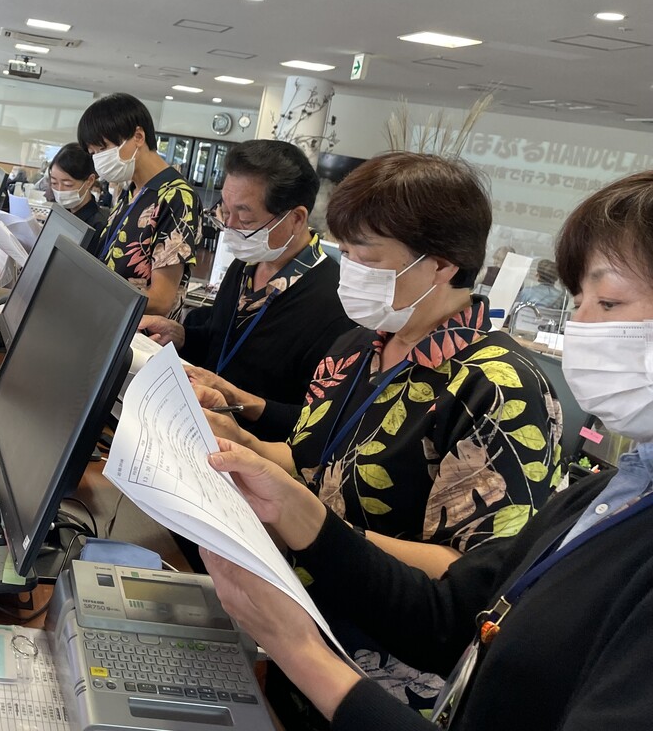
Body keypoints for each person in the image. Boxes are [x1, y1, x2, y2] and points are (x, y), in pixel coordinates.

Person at [200, 169, 653, 730]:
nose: (349, 271)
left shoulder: (497, 387)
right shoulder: (358, 346)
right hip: (299, 625)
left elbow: (470, 583)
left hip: (379, 677)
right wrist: (242, 442)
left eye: (607, 303)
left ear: (440, 264)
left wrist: (304, 528)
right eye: (578, 301)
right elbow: (320, 462)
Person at [143, 140, 355, 441]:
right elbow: (220, 344)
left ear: (296, 218)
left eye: (244, 218)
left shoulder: (334, 303)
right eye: (225, 211)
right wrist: (182, 336)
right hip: (194, 428)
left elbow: (315, 423)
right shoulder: (246, 265)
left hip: (253, 452)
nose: (229, 226)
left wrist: (234, 397)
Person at [78, 93, 201, 317]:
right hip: (104, 317)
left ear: (138, 136)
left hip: (138, 331)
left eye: (103, 149)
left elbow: (161, 300)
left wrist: (92, 296)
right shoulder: (132, 190)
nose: (98, 159)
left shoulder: (177, 197)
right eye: (93, 153)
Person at [47, 142, 107, 254]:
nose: (59, 190)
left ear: (89, 181)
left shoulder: (99, 225)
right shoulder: (62, 213)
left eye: (68, 184)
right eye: (54, 183)